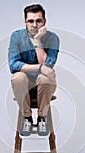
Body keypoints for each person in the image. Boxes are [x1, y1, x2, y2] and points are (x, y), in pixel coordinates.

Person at [8, 4, 60, 138]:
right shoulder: (16, 36)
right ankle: (27, 118)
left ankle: (42, 118)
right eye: (31, 21)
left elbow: (48, 66)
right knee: (18, 77)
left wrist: (37, 41)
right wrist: (40, 68)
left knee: (45, 78)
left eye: (38, 21)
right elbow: (13, 65)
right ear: (25, 22)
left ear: (44, 22)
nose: (35, 25)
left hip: (44, 88)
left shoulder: (52, 38)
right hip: (23, 87)